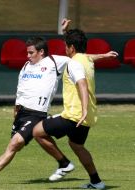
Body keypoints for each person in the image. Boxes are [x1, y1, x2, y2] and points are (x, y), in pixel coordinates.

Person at [0, 36, 118, 185]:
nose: (28, 56)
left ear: (41, 52)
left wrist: (102, 56)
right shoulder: (26, 66)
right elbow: (20, 91)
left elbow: (79, 57)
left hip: (36, 114)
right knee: (14, 146)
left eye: (31, 52)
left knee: (15, 143)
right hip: (21, 114)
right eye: (27, 53)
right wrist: (16, 111)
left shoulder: (54, 62)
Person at [32, 19, 116, 189]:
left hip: (75, 115)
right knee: (76, 145)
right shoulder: (86, 59)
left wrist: (83, 109)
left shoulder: (73, 63)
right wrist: (105, 55)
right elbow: (87, 54)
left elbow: (82, 85)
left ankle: (64, 163)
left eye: (66, 46)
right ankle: (96, 182)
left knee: (37, 132)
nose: (65, 48)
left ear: (71, 48)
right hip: (88, 115)